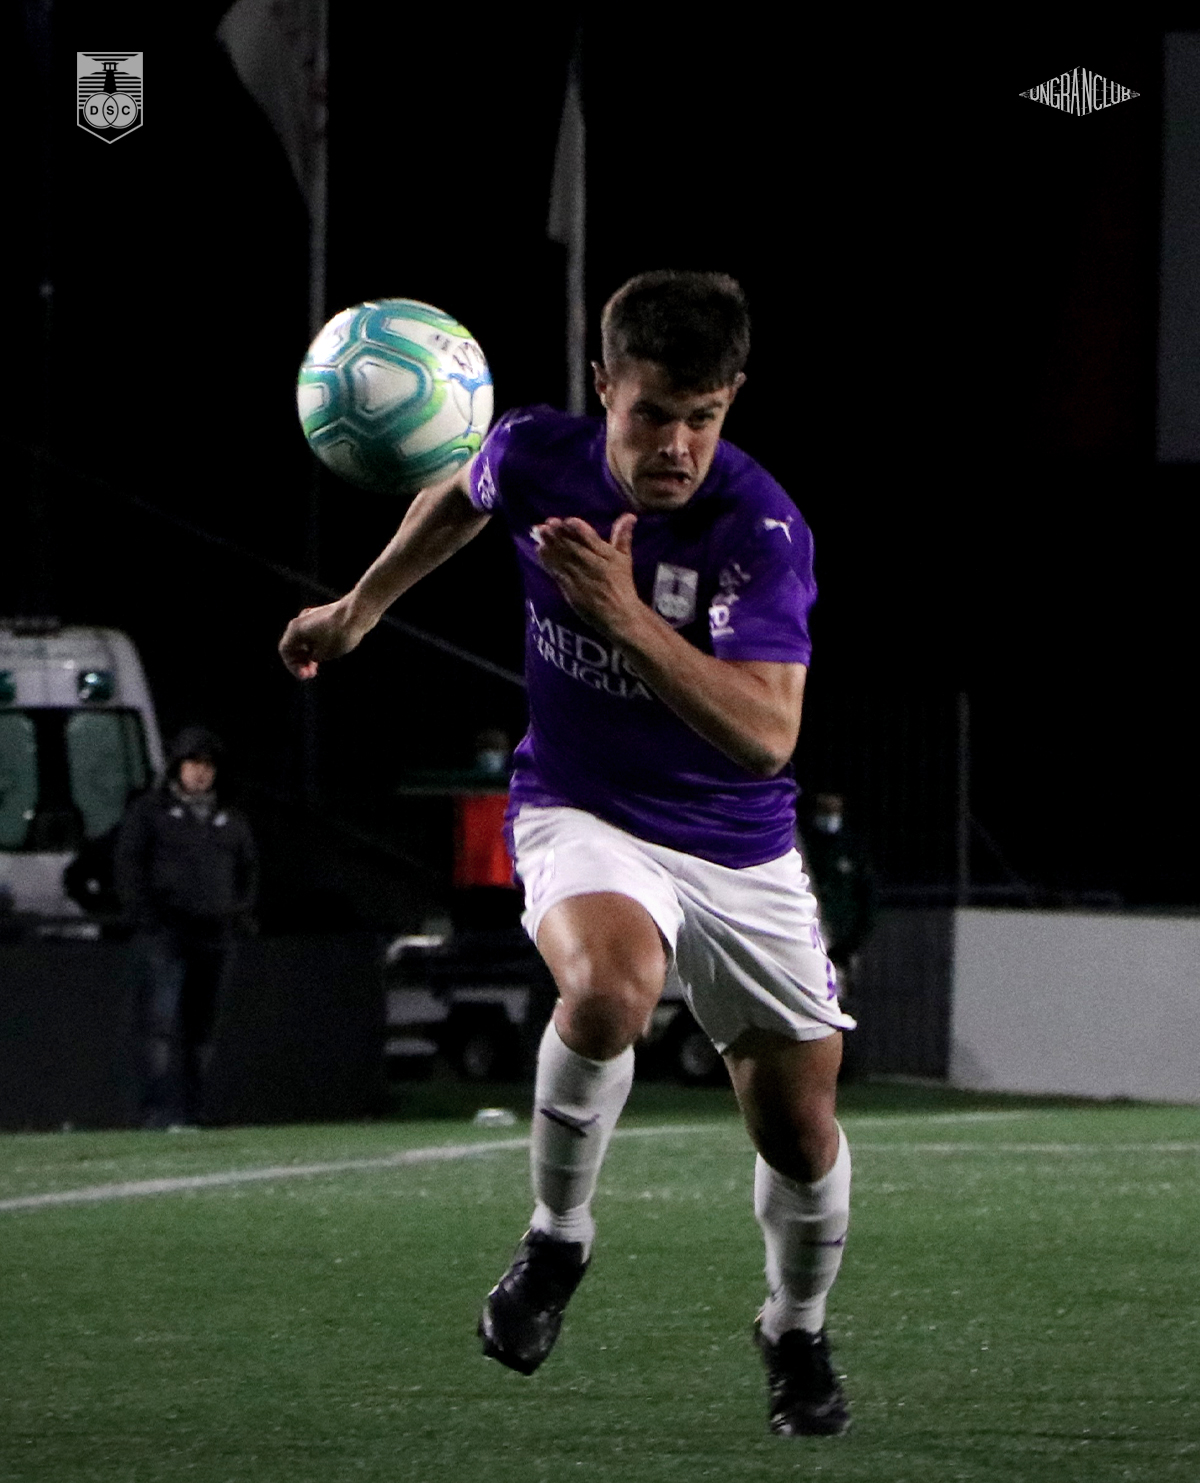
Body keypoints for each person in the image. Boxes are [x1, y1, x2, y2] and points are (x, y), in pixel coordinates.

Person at [279, 271, 856, 1438]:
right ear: (605, 389)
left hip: (738, 848)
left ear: (732, 401)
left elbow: (765, 735)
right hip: (581, 808)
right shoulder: (537, 452)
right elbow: (462, 490)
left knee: (798, 1132)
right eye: (654, 415)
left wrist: (623, 614)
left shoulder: (761, 530)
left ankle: (794, 1327)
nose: (678, 446)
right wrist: (360, 607)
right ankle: (556, 1239)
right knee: (608, 988)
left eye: (704, 418)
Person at [114, 726, 258, 1129]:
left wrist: (238, 912)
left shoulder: (229, 817)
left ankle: (194, 1111)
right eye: (193, 763)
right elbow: (129, 867)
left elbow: (248, 870)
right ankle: (156, 1114)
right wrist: (147, 916)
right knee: (159, 1026)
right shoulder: (150, 813)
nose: (200, 772)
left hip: (215, 936)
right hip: (166, 934)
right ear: (177, 766)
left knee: (202, 1029)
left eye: (208, 765)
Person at [797, 792, 878, 1076]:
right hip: (808, 938)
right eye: (825, 810)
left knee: (840, 1002)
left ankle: (842, 1063)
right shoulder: (805, 846)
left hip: (841, 943)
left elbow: (866, 895)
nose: (830, 817)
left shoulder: (851, 847)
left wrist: (854, 940)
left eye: (834, 811)